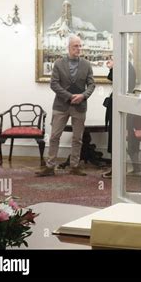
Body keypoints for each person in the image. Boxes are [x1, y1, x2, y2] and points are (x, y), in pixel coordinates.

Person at [36, 35, 96, 177]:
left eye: (80, 46)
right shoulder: (58, 63)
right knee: (54, 136)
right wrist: (69, 97)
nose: (78, 48)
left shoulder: (86, 65)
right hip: (61, 105)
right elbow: (54, 84)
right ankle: (50, 167)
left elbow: (92, 84)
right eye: (75, 46)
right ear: (68, 47)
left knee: (78, 138)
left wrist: (83, 96)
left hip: (80, 105)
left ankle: (74, 166)